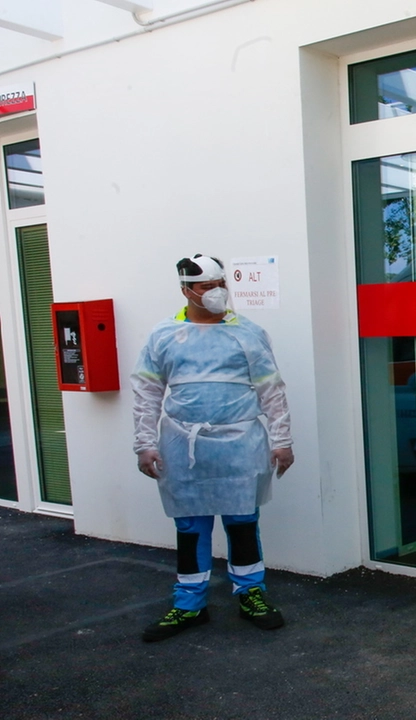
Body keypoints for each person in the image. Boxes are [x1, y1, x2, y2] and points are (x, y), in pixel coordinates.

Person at [132, 254, 295, 642]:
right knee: (190, 524)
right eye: (207, 286)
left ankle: (251, 593)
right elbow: (146, 391)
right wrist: (144, 444)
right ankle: (188, 603)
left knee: (242, 521)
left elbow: (271, 389)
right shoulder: (164, 336)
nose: (217, 292)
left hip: (240, 442)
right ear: (186, 289)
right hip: (183, 444)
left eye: (222, 284)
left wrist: (282, 439)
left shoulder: (248, 333)